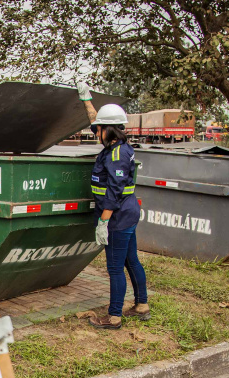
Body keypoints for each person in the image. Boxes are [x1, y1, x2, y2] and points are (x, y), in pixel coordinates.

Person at [76, 84, 150, 330]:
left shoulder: (117, 155)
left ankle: (114, 317)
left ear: (108, 130)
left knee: (115, 268)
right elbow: (96, 120)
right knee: (131, 261)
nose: (96, 132)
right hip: (127, 213)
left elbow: (114, 192)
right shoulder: (117, 145)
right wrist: (86, 100)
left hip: (118, 217)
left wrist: (104, 221)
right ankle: (142, 305)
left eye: (99, 129)